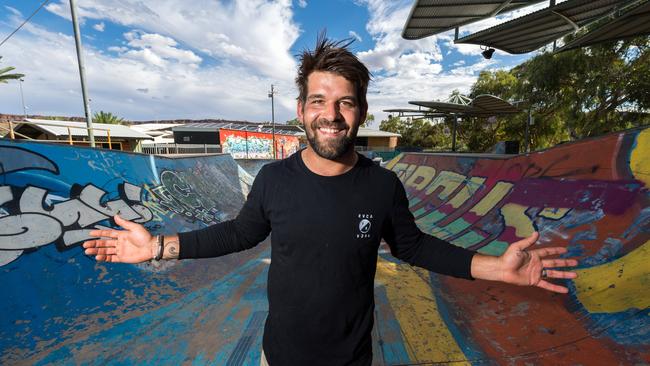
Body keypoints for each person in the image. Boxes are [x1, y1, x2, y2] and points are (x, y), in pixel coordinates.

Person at [83, 35, 578, 366]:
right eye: (319, 101)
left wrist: (498, 268)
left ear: (360, 111)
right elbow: (237, 233)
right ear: (301, 110)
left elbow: (415, 247)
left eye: (344, 101)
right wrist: (157, 247)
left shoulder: (382, 187)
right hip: (278, 357)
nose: (331, 114)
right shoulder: (275, 180)